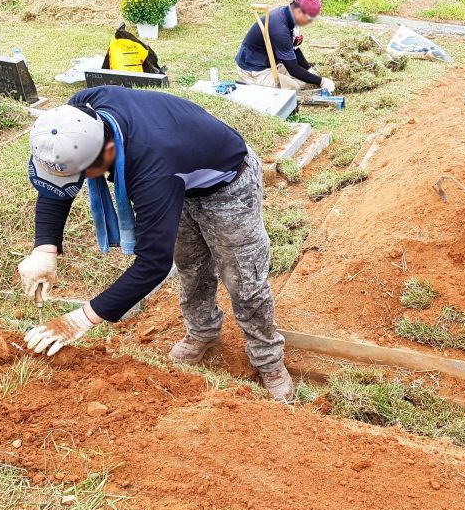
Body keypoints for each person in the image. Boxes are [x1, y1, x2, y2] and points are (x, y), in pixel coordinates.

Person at [17, 86, 293, 402]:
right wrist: (45, 248)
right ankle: (202, 331)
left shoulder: (151, 168)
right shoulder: (78, 114)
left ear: (105, 153)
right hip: (178, 177)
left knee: (243, 278)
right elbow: (56, 183)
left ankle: (268, 359)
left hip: (228, 184)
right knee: (192, 266)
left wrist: (80, 319)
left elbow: (152, 264)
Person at [235, 0, 336, 93]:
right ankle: (249, 82)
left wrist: (308, 68)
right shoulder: (280, 29)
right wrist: (321, 81)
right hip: (254, 69)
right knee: (293, 89)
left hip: (272, 62)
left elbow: (294, 49)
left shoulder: (290, 16)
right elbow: (293, 69)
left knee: (303, 82)